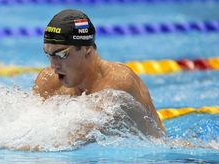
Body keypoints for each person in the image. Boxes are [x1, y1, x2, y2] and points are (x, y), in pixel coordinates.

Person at [33, 9, 166, 138]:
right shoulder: (48, 81)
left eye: (62, 54)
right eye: (49, 54)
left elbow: (70, 138)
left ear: (86, 48)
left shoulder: (119, 83)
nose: (53, 65)